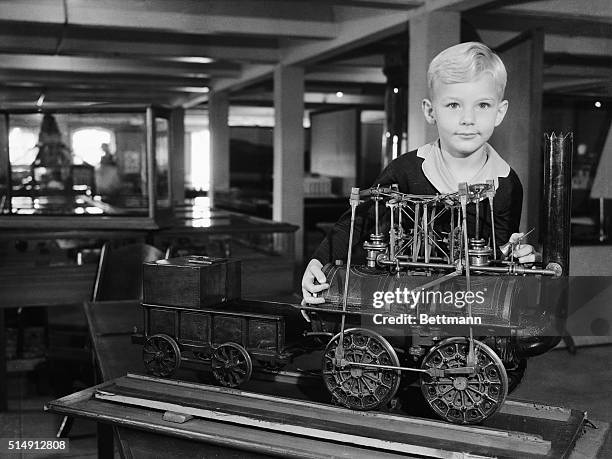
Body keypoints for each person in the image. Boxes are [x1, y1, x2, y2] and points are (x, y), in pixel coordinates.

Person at [302, 42, 537, 305]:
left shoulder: (507, 182)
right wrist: (318, 261)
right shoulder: (405, 170)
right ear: (429, 111)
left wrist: (516, 255)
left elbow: (500, 249)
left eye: (482, 105)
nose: (468, 119)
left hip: (468, 305)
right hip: (403, 302)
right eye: (453, 105)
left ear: (499, 112)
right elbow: (356, 222)